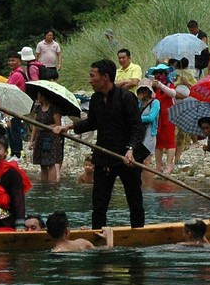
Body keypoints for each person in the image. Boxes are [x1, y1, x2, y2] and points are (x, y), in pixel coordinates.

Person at [55, 59, 148, 228]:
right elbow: (92, 122)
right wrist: (68, 126)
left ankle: (138, 234)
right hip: (104, 156)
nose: (90, 80)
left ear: (105, 77)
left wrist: (130, 149)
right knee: (99, 204)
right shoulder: (96, 99)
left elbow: (137, 128)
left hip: (128, 157)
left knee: (134, 201)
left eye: (92, 76)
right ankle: (97, 235)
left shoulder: (126, 97)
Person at [29, 88, 64, 182]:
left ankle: (52, 186)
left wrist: (44, 127)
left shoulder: (54, 108)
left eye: (39, 95)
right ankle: (44, 186)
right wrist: (32, 141)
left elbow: (58, 124)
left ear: (44, 96)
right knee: (42, 163)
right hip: (40, 138)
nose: (37, 97)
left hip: (51, 138)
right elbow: (35, 125)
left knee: (51, 162)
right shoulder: (38, 108)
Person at [47, 211, 114, 252]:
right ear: (67, 232)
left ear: (49, 233)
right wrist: (109, 237)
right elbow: (107, 251)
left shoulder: (54, 252)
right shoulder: (82, 243)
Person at [6, 52, 29, 157]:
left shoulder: (16, 74)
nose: (11, 62)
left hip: (15, 105)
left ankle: (17, 153)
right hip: (15, 104)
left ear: (19, 61)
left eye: (13, 60)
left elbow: (7, 89)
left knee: (14, 129)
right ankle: (15, 152)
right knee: (12, 129)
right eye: (9, 60)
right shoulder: (15, 73)